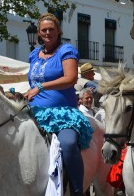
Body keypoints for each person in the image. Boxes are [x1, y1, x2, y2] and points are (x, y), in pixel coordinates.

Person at [24, 12, 94, 195]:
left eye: (51, 29)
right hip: (34, 110)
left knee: (69, 143)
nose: (48, 33)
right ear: (39, 33)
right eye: (44, 30)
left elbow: (70, 79)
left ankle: (77, 190)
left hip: (62, 113)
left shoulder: (66, 50)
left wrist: (40, 87)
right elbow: (33, 83)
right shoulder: (34, 55)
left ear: (59, 30)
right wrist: (27, 93)